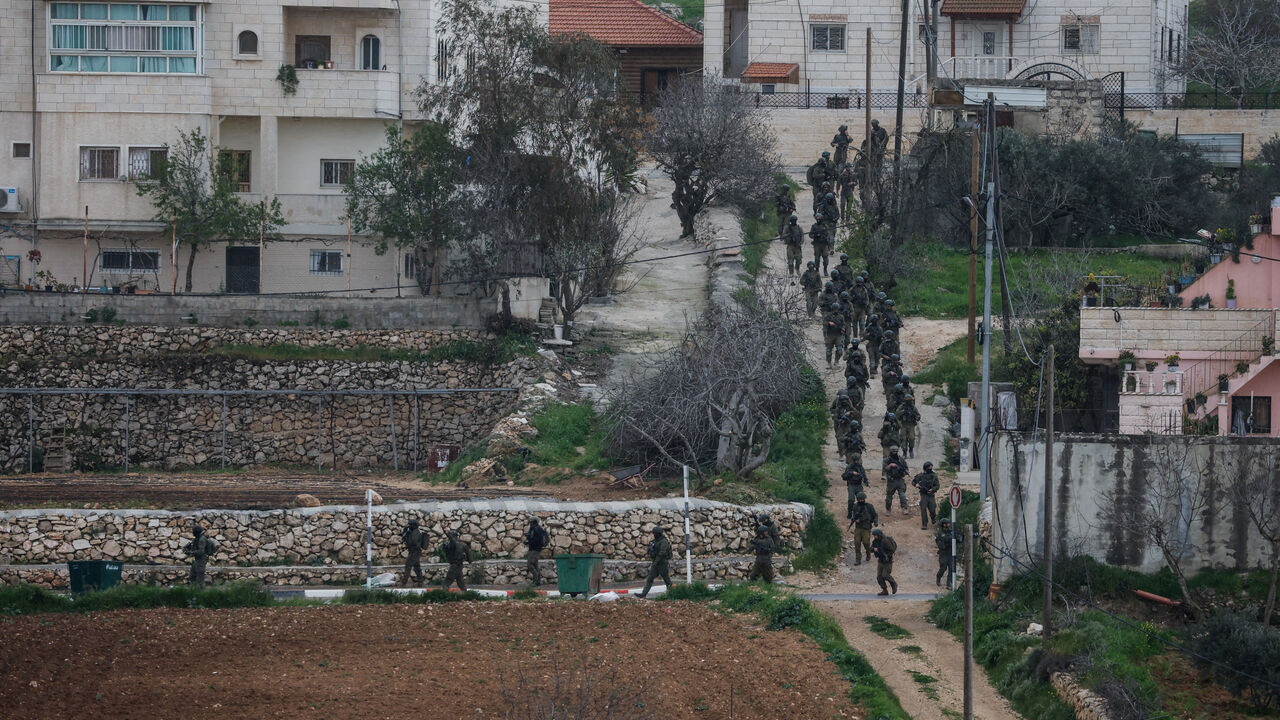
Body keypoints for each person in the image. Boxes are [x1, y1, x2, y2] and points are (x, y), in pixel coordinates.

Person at [639, 526, 673, 598]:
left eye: (655, 533)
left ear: (659, 534)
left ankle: (673, 593)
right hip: (656, 562)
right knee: (650, 578)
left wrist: (656, 561)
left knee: (666, 579)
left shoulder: (664, 542)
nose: (654, 535)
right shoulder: (655, 541)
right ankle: (643, 594)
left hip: (662, 562)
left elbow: (662, 553)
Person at [848, 491, 878, 566]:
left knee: (866, 542)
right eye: (859, 499)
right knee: (857, 543)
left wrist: (875, 522)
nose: (861, 500)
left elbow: (875, 515)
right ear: (857, 499)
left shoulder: (869, 506)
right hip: (858, 527)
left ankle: (868, 553)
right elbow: (853, 515)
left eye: (862, 499)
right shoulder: (855, 507)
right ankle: (858, 560)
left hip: (866, 527)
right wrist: (854, 519)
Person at [185, 523, 218, 590]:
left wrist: (191, 552)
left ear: (196, 532)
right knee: (192, 576)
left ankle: (200, 593)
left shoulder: (202, 539)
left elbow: (201, 552)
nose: (193, 533)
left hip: (202, 560)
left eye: (193, 532)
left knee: (199, 579)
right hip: (197, 560)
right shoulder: (197, 539)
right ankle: (194, 590)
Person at [912, 461, 940, 530]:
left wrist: (932, 489)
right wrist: (916, 485)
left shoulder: (934, 476)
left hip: (931, 495)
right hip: (923, 495)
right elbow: (913, 481)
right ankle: (924, 524)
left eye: (931, 467)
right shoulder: (921, 476)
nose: (930, 468)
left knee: (932, 509)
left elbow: (937, 485)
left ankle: (933, 519)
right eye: (928, 467)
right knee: (923, 509)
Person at [400, 518, 427, 587]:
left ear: (413, 525)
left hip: (415, 551)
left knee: (408, 566)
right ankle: (420, 583)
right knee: (417, 567)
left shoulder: (415, 533)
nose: (408, 525)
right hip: (413, 552)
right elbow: (403, 537)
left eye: (410, 524)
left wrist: (407, 537)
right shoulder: (411, 532)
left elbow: (412, 542)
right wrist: (405, 530)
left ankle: (403, 583)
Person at [871, 527, 898, 595]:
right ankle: (884, 590)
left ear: (879, 535)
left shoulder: (885, 541)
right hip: (880, 561)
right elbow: (870, 548)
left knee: (885, 575)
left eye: (875, 535)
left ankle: (893, 584)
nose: (874, 537)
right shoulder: (875, 541)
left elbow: (891, 550)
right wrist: (874, 549)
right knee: (879, 577)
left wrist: (886, 555)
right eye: (874, 535)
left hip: (887, 561)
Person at [524, 518, 550, 586]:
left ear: (534, 522)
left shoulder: (537, 528)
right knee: (535, 565)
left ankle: (535, 581)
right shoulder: (533, 528)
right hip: (534, 549)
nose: (530, 523)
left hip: (535, 549)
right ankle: (538, 582)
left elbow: (538, 539)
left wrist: (529, 540)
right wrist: (528, 538)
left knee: (530, 564)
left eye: (531, 522)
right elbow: (533, 537)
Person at [935, 518, 960, 587]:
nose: (948, 525)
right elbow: (945, 538)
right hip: (944, 553)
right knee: (943, 568)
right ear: (943, 524)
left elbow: (955, 538)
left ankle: (949, 584)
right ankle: (938, 578)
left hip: (951, 552)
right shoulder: (940, 533)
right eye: (947, 523)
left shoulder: (951, 531)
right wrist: (952, 537)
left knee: (952, 569)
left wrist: (956, 537)